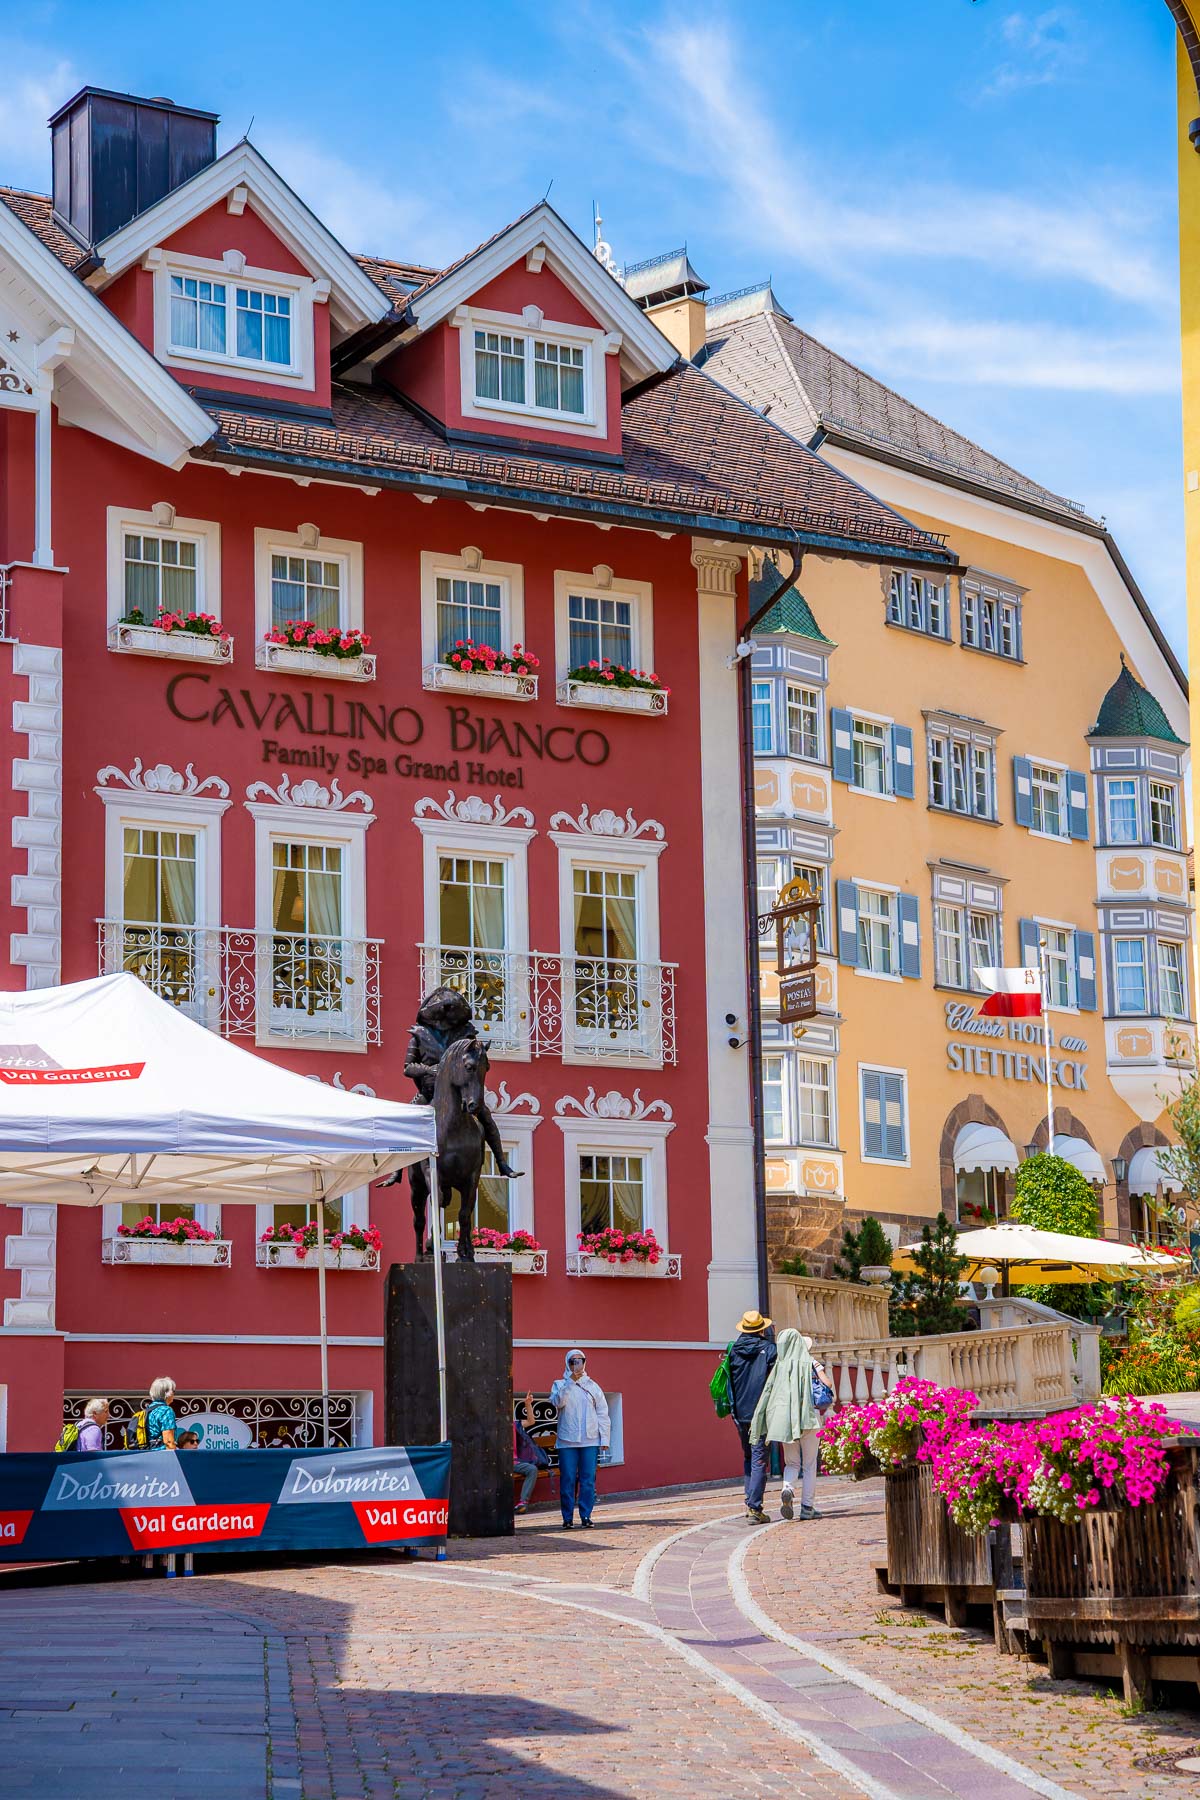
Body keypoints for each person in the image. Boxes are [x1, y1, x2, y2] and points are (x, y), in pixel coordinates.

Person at [750, 1328, 831, 1521]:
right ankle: (807, 1507)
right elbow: (827, 1384)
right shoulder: (810, 1362)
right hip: (809, 1419)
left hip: (786, 1422)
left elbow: (769, 1393)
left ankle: (787, 1488)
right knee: (810, 1465)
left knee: (792, 1462)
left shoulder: (779, 1366)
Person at [727, 1310, 777, 1524]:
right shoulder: (769, 1349)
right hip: (761, 1411)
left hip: (739, 1412)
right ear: (762, 1329)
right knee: (758, 1459)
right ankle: (755, 1508)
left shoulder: (733, 1350)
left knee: (749, 1457)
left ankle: (750, 1502)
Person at [550, 1349, 609, 1529]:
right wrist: (570, 1382)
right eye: (573, 1361)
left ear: (585, 1362)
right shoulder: (559, 1384)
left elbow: (603, 1413)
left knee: (588, 1479)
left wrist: (604, 1439)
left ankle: (586, 1515)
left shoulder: (592, 1386)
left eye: (580, 1360)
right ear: (567, 1364)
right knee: (567, 1478)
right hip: (567, 1441)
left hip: (589, 1440)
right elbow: (558, 1402)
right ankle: (567, 1517)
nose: (577, 1364)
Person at [513, 1390, 540, 1514]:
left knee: (532, 1469)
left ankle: (523, 1502)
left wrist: (528, 1404)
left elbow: (531, 1421)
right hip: (496, 1464)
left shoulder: (514, 1424)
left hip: (514, 1463)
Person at [146, 1376, 179, 1450]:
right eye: (173, 1391)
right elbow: (169, 1442)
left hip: (147, 1453)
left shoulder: (148, 1410)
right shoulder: (166, 1411)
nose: (174, 1394)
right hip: (161, 1455)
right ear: (167, 1393)